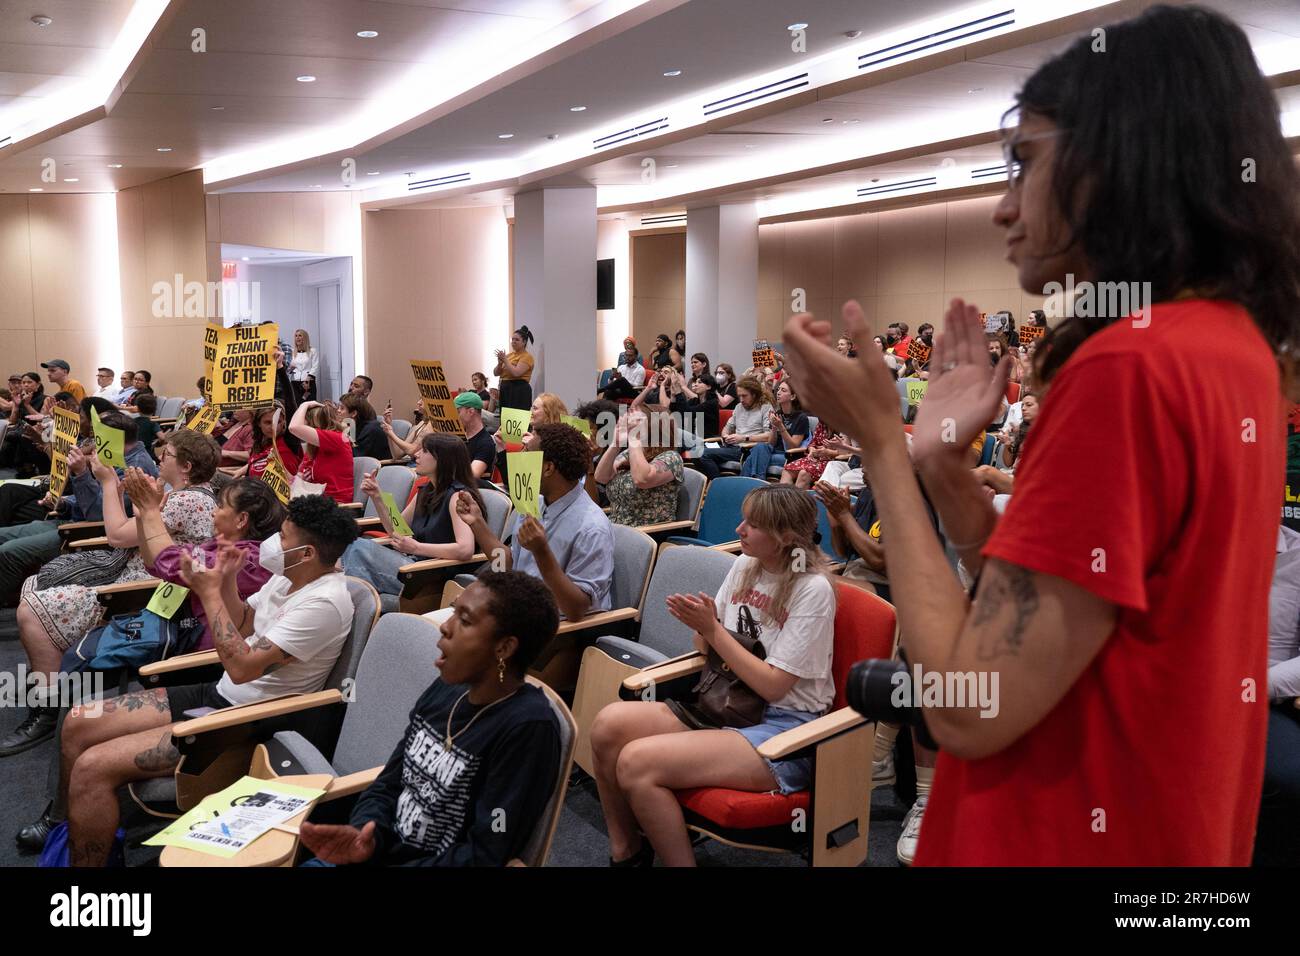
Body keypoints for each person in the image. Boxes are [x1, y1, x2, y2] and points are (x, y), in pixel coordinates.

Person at [778, 3, 1294, 866]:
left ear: (1118, 164)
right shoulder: (1234, 350)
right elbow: (1086, 619)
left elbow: (966, 706)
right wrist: (942, 470)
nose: (1002, 209)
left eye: (1023, 166)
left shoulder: (1127, 369)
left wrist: (878, 446)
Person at [56, 494, 356, 866]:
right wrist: (226, 582)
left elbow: (243, 667)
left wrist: (209, 591)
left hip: (248, 721)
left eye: (283, 535)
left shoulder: (324, 603)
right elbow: (244, 622)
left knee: (91, 768)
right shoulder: (286, 579)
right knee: (78, 722)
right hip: (218, 694)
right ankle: (67, 828)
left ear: (308, 553)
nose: (274, 542)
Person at [12, 476, 285, 853]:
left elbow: (166, 562)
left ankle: (62, 814)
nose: (214, 511)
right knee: (79, 698)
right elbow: (158, 558)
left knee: (83, 697)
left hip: (194, 660)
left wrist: (149, 509)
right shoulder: (222, 545)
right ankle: (63, 812)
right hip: (170, 633)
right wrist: (144, 511)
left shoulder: (251, 559)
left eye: (221, 505)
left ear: (241, 520)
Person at [590, 485, 836, 867]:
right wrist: (703, 626)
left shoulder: (813, 589)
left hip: (785, 729)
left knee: (637, 762)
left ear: (786, 538)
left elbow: (773, 685)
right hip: (726, 701)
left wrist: (714, 631)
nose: (739, 529)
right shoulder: (744, 565)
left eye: (753, 525)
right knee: (607, 725)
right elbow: (706, 648)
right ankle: (627, 851)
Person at [298, 571, 561, 867]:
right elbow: (390, 780)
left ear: (504, 648)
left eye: (464, 619)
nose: (445, 627)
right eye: (453, 612)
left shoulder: (528, 729)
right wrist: (365, 834)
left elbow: (485, 854)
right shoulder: (447, 688)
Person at [2, 429, 219, 755]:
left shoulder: (188, 501)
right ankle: (52, 682)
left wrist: (106, 483)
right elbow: (137, 532)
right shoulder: (180, 494)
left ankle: (47, 711)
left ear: (186, 465)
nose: (160, 457)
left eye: (168, 455)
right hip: (136, 574)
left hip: (142, 591)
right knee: (35, 586)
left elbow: (117, 535)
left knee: (31, 609)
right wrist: (132, 496)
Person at [453, 423, 613, 623]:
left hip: (553, 628)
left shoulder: (591, 527)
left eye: (527, 451)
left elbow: (575, 610)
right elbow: (507, 565)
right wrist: (476, 523)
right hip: (519, 608)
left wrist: (541, 551)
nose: (520, 457)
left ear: (548, 468)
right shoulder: (534, 503)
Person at [341, 435, 484, 595]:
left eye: (424, 451)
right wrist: (377, 496)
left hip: (430, 576)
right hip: (413, 564)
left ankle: (355, 602)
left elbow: (465, 549)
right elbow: (398, 530)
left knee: (357, 548)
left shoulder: (458, 496)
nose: (416, 454)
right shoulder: (426, 489)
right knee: (350, 545)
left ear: (442, 459)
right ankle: (357, 601)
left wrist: (416, 547)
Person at [594, 408, 683, 527]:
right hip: (615, 529)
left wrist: (633, 438)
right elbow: (601, 477)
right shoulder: (629, 453)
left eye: (638, 422)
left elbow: (642, 479)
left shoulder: (672, 458)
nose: (630, 425)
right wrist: (616, 443)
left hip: (648, 533)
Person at [695, 377, 773, 481]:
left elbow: (768, 436)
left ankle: (718, 484)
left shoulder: (765, 407)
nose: (741, 399)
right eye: (739, 396)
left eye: (744, 396)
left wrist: (744, 438)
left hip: (749, 449)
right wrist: (726, 436)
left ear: (754, 394)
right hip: (733, 447)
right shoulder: (739, 407)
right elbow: (727, 428)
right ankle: (720, 483)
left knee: (703, 454)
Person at [289, 401, 354, 505]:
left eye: (306, 423)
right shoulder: (314, 446)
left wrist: (304, 404)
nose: (305, 428)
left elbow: (294, 427)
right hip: (317, 500)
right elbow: (298, 478)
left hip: (336, 505)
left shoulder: (337, 439)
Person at [741, 379, 806, 479]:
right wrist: (774, 428)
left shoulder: (801, 418)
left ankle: (752, 484)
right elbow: (771, 443)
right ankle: (757, 481)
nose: (778, 392)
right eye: (778, 389)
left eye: (783, 390)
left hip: (789, 456)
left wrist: (781, 427)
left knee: (751, 458)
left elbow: (793, 446)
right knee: (760, 447)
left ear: (792, 396)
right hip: (772, 451)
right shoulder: (777, 414)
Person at [241, 402, 301, 480]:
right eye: (268, 422)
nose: (273, 427)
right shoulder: (258, 444)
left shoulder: (289, 442)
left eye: (278, 422)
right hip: (252, 487)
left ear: (284, 422)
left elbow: (291, 406)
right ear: (259, 423)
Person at [493, 326, 535, 412]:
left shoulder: (527, 356)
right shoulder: (509, 355)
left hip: (519, 390)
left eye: (517, 340)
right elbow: (496, 373)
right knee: (505, 418)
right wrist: (500, 363)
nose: (514, 342)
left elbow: (516, 373)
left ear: (524, 342)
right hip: (505, 389)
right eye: (512, 339)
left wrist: (505, 360)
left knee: (517, 418)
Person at [341, 393, 389, 460]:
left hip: (381, 467)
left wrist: (343, 432)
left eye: (342, 408)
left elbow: (354, 456)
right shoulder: (353, 426)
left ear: (354, 413)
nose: (338, 411)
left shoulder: (371, 429)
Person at [288, 328, 319, 404]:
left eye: (300, 336)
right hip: (295, 383)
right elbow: (288, 368)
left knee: (309, 405)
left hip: (308, 383)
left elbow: (315, 366)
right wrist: (290, 368)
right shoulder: (291, 351)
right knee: (296, 405)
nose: (297, 338)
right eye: (296, 336)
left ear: (305, 338)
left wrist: (307, 379)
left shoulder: (312, 351)